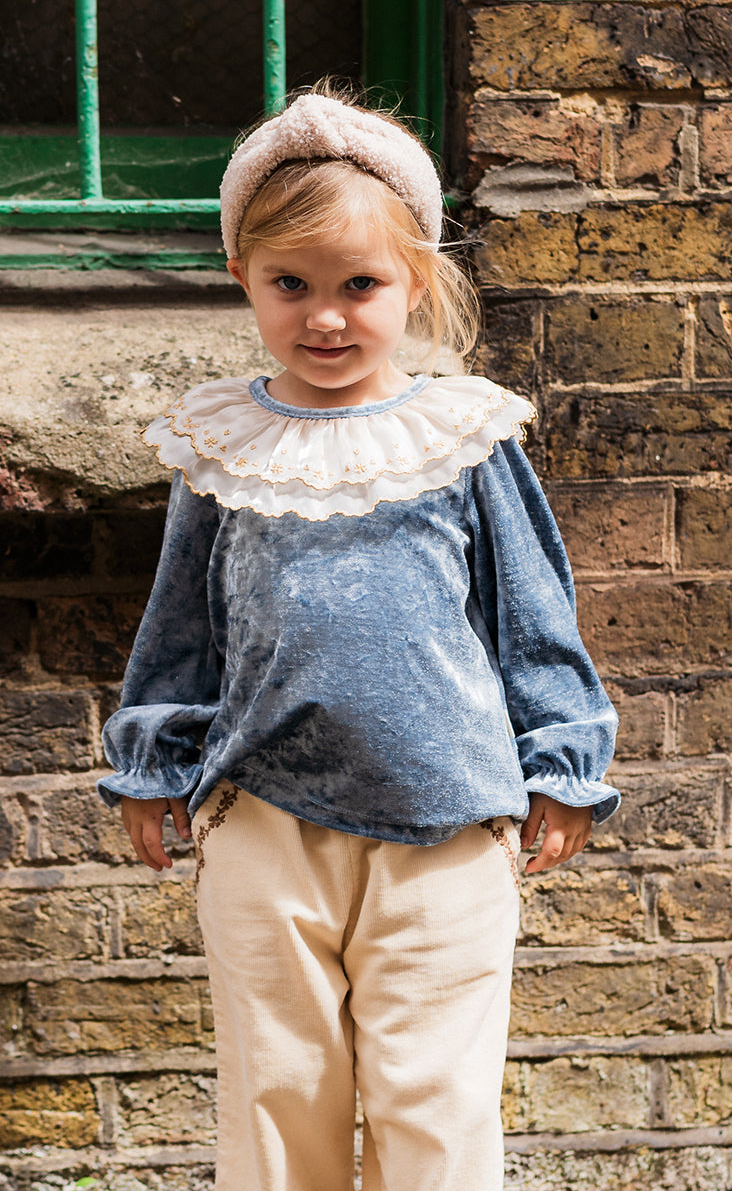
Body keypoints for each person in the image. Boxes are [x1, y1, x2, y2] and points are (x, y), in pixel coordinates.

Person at [99, 86, 619, 1191]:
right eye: (291, 285)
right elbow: (181, 625)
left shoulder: (464, 436)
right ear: (242, 276)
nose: (325, 318)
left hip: (447, 816)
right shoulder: (221, 446)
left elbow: (533, 616)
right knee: (279, 1086)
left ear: (415, 280)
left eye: (360, 285)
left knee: (435, 1095)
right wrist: (153, 761)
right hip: (261, 814)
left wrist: (563, 763)